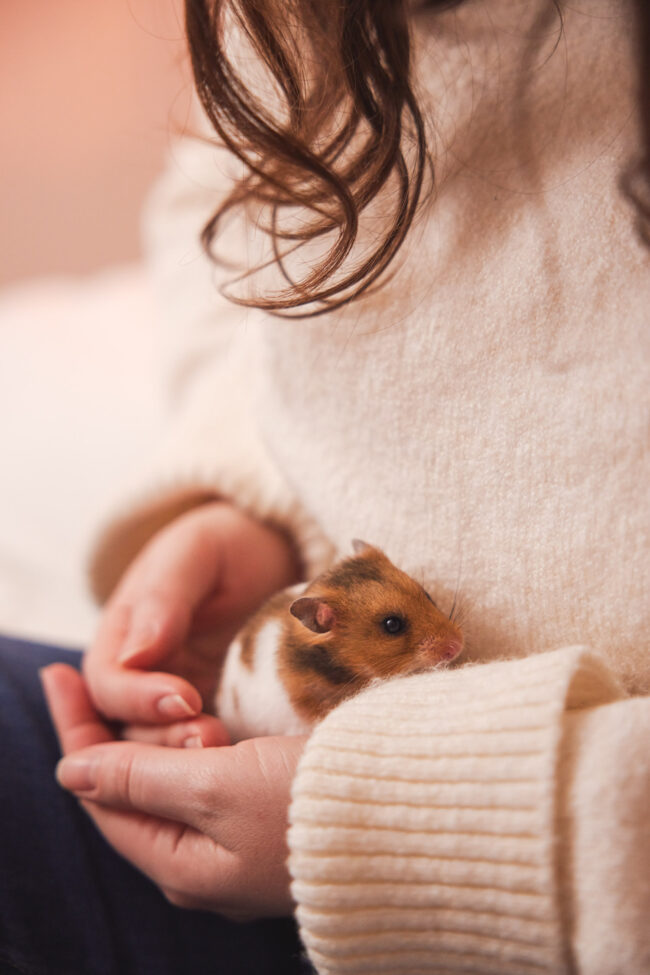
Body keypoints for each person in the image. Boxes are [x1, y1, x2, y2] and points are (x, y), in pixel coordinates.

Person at [2, 0, 649, 973]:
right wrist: (253, 484)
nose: (444, 638)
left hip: (552, 889)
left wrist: (399, 832)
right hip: (291, 827)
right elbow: (227, 201)